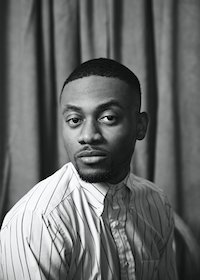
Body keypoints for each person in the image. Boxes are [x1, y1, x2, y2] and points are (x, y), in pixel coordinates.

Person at [0, 58, 177, 280]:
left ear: (140, 126)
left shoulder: (157, 204)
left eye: (108, 118)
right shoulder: (38, 221)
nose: (87, 136)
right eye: (74, 120)